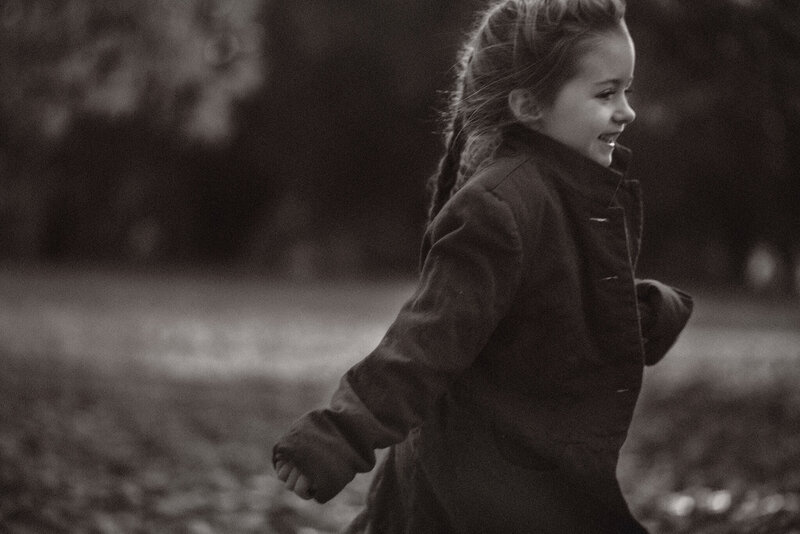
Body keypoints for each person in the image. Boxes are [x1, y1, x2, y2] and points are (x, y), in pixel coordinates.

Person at [273, 0, 693, 532]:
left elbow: (550, 308)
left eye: (626, 90)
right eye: (606, 93)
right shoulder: (500, 207)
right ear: (528, 105)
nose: (627, 110)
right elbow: (425, 339)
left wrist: (641, 312)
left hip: (523, 471)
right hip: (478, 488)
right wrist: (338, 434)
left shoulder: (575, 192)